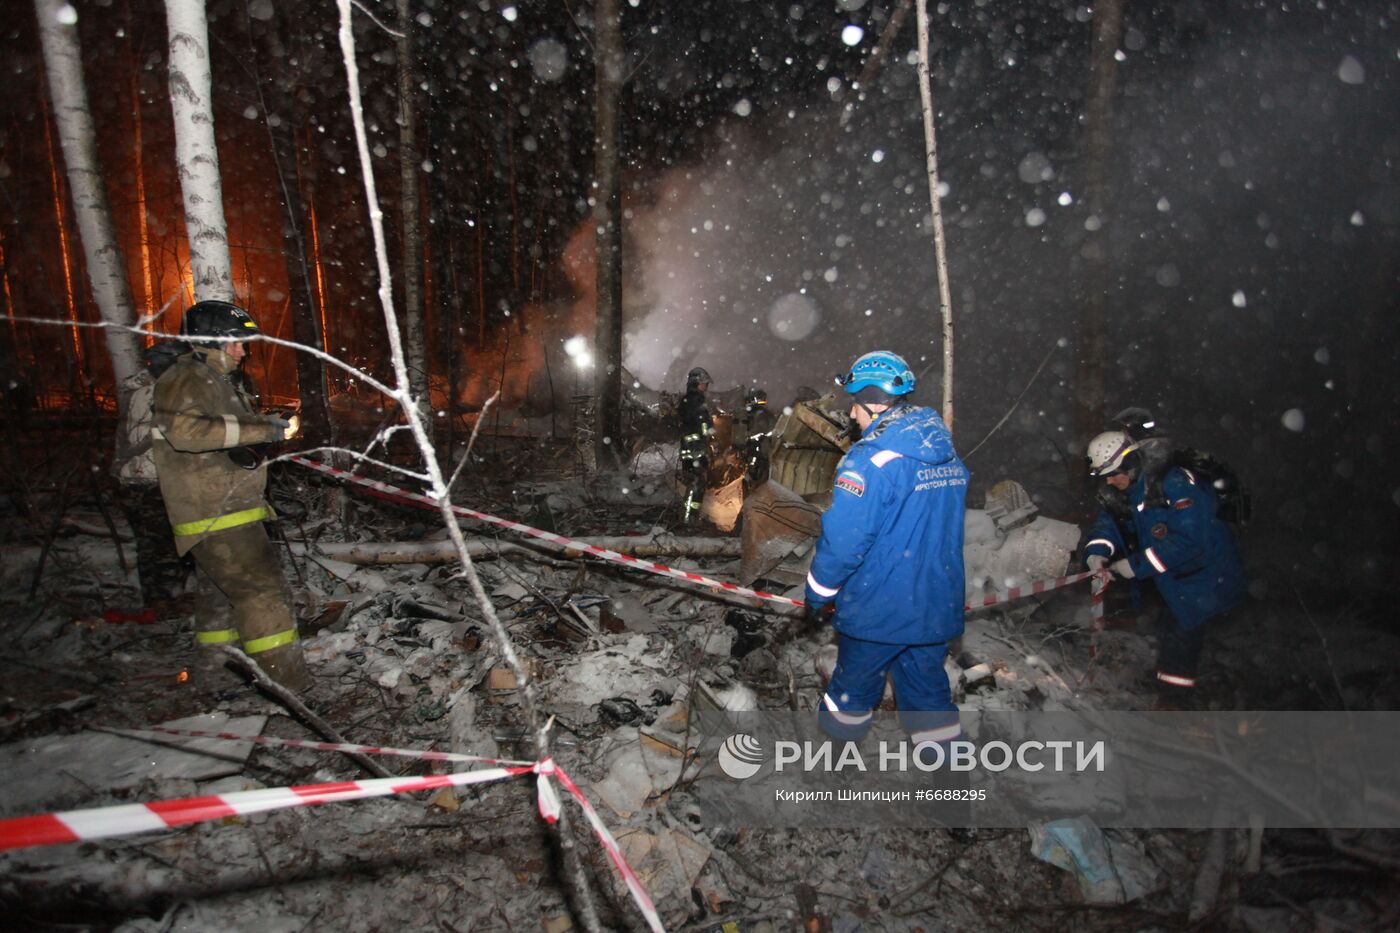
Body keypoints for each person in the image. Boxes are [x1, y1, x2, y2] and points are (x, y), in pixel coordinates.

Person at [804, 350, 969, 763]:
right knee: (931, 705)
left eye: (854, 404)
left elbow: (844, 541)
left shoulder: (869, 460)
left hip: (879, 610)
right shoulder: (946, 453)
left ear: (873, 400)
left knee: (850, 696)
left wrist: (817, 592)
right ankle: (952, 796)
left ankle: (832, 773)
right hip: (934, 607)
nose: (852, 415)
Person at [152, 299, 310, 691]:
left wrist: (263, 426)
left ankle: (214, 676)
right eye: (235, 343)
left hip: (222, 509)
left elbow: (222, 431)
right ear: (208, 341)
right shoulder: (187, 378)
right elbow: (187, 433)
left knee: (219, 597)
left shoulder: (213, 380)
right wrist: (263, 432)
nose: (242, 351)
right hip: (218, 511)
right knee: (264, 595)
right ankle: (289, 688)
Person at [1083, 427, 1247, 709]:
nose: (1110, 482)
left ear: (1130, 463)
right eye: (1105, 476)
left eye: (1113, 474)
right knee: (1169, 630)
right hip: (1173, 579)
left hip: (1203, 577)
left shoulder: (1174, 483)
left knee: (1180, 634)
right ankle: (1177, 692)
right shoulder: (1127, 488)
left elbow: (1191, 540)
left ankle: (1176, 704)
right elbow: (1108, 521)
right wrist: (1097, 552)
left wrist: (1136, 565)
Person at [677, 366, 713, 522]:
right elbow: (702, 424)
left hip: (694, 449)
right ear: (695, 383)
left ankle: (690, 516)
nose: (706, 386)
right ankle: (689, 519)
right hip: (694, 450)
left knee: (696, 483)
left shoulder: (689, 401)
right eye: (704, 383)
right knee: (697, 484)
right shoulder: (694, 401)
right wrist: (709, 432)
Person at [737, 387, 775, 487]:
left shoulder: (749, 412)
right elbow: (771, 429)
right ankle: (754, 482)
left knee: (753, 464)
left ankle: (751, 482)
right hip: (759, 446)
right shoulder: (765, 413)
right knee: (756, 465)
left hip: (754, 445)